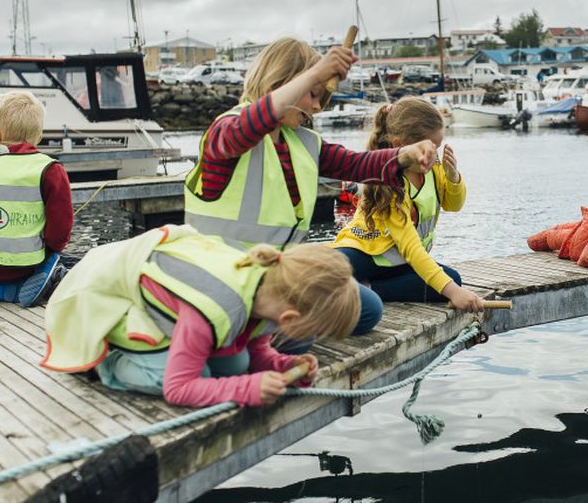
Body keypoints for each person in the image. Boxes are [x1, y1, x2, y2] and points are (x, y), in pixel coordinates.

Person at [183, 38, 437, 337]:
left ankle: (265, 331)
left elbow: (356, 164)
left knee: (364, 307)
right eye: (312, 93)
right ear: (281, 81)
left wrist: (405, 154)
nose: (316, 107)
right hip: (220, 276)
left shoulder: (302, 142)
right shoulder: (227, 130)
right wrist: (318, 71)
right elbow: (250, 125)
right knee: (301, 334)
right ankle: (255, 334)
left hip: (275, 275)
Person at [41, 225, 360, 407]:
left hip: (156, 297)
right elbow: (177, 390)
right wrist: (245, 390)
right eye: (311, 330)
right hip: (95, 302)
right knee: (197, 377)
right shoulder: (212, 308)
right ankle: (108, 364)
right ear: (289, 318)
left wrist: (284, 366)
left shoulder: (268, 287)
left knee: (237, 364)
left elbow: (255, 349)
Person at [332, 98, 485, 312]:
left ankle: (367, 289)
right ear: (399, 146)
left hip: (397, 263)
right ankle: (353, 288)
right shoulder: (390, 183)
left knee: (453, 279)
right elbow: (412, 248)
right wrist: (454, 294)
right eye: (428, 148)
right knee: (326, 275)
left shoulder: (433, 167)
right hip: (363, 254)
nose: (434, 155)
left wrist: (453, 177)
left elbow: (453, 205)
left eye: (437, 147)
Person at [0, 92, 72, 307]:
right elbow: (61, 227)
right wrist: (52, 249)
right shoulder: (49, 169)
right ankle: (32, 282)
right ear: (38, 137)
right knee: (59, 262)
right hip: (26, 264)